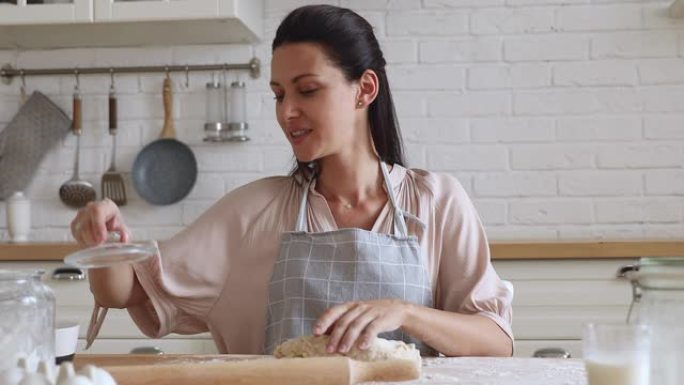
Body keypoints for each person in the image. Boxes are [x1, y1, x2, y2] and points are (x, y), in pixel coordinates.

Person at [70, 4, 513, 357]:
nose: (286, 112)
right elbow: (125, 292)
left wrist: (406, 314)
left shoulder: (437, 202)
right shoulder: (255, 211)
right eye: (279, 95)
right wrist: (105, 242)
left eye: (307, 90)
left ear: (365, 89)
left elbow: (496, 340)